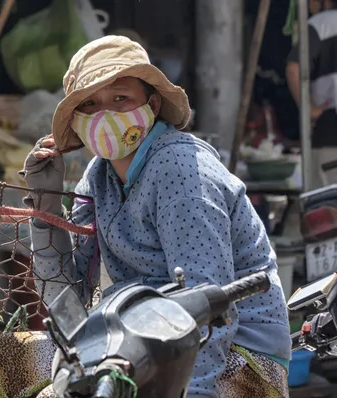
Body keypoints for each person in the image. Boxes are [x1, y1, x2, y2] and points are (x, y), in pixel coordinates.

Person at [21, 36, 291, 397]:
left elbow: (207, 305)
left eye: (120, 98)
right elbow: (68, 297)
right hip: (136, 344)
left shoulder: (179, 168)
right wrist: (46, 208)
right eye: (89, 104)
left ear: (152, 104)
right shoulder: (96, 178)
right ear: (78, 122)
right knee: (2, 359)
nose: (105, 114)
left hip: (235, 355)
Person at [286, 0, 337, 189]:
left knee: (326, 210)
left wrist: (309, 109)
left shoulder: (320, 24)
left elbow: (294, 69)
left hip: (331, 133)